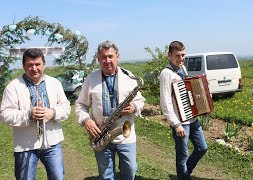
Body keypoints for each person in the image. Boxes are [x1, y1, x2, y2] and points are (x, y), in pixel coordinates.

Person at [75, 40, 145, 180]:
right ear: (98, 59)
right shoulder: (91, 79)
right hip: (101, 134)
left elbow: (140, 101)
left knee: (130, 170)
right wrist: (86, 120)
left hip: (126, 134)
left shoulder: (129, 77)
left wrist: (134, 107)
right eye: (103, 57)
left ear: (117, 57)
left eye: (111, 56)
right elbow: (80, 105)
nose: (107, 61)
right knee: (106, 175)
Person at [0, 48, 71, 180]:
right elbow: (4, 114)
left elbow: (66, 107)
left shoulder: (55, 83)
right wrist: (28, 115)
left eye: (37, 64)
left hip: (52, 144)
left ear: (44, 64)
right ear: (23, 66)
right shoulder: (13, 86)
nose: (34, 68)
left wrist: (53, 113)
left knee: (58, 177)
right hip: (25, 145)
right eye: (29, 65)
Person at [159, 41, 208, 180]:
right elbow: (165, 102)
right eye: (177, 55)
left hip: (192, 118)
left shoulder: (183, 69)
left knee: (202, 148)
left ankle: (184, 174)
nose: (181, 58)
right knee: (182, 155)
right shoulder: (166, 73)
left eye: (183, 55)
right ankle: (184, 176)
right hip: (180, 122)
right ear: (169, 55)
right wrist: (176, 124)